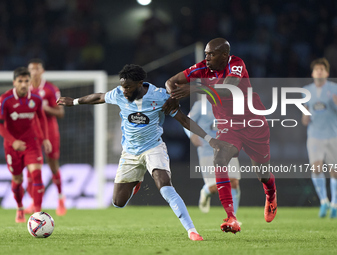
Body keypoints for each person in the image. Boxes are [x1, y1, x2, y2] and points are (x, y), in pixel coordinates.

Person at [57, 64, 226, 241]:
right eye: (123, 86)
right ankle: (137, 180)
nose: (124, 91)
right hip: (130, 152)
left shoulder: (160, 96)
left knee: (165, 186)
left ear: (140, 84)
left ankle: (192, 231)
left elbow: (183, 119)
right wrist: (74, 102)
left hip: (153, 148)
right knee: (118, 202)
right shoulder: (119, 93)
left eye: (128, 87)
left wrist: (210, 139)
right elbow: (99, 97)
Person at [162, 38, 278, 234]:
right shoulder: (202, 68)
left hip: (252, 123)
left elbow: (226, 90)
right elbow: (171, 82)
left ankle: (271, 194)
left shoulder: (237, 64)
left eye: (211, 54)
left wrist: (194, 88)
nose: (206, 58)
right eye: (206, 54)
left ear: (224, 55)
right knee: (220, 157)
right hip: (228, 126)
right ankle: (231, 217)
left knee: (262, 174)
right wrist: (173, 96)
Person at [0, 67, 52, 223]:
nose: (23, 84)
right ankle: (20, 206)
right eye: (20, 81)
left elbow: (41, 118)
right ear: (14, 82)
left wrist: (45, 139)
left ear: (30, 82)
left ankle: (38, 214)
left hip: (32, 142)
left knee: (37, 174)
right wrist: (12, 141)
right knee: (17, 179)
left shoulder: (35, 98)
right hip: (12, 145)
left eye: (26, 81)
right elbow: (1, 124)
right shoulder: (5, 99)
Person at [25, 58, 67, 216]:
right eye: (32, 69)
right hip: (32, 132)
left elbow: (60, 113)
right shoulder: (25, 89)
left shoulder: (50, 89)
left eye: (37, 69)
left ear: (42, 71)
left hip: (49, 131)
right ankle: (32, 200)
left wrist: (45, 107)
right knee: (31, 166)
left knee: (52, 164)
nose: (34, 72)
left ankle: (61, 198)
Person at [183, 99, 241, 214]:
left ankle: (232, 217)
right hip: (207, 150)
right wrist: (192, 135)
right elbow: (186, 121)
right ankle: (206, 190)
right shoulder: (201, 104)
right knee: (215, 187)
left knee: (233, 181)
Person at [302, 58, 337, 218]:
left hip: (332, 135)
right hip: (315, 136)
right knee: (316, 168)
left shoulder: (336, 88)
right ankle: (323, 201)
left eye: (321, 69)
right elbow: (304, 119)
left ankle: (334, 204)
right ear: (312, 73)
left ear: (327, 72)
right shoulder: (306, 91)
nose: (319, 71)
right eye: (316, 69)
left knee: (335, 172)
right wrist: (305, 115)